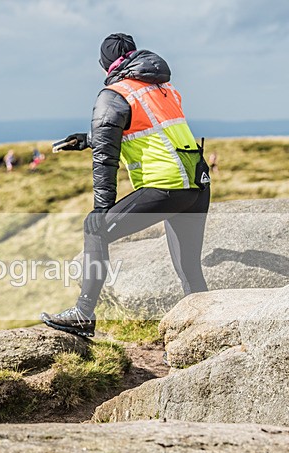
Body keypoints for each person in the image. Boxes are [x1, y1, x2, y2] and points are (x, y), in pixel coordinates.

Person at [41, 33, 210, 337]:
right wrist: (87, 139)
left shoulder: (114, 94)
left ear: (104, 64)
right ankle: (206, 334)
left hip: (166, 186)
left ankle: (83, 313)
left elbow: (106, 159)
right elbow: (148, 130)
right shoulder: (163, 88)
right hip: (196, 185)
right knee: (189, 270)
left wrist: (101, 209)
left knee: (95, 230)